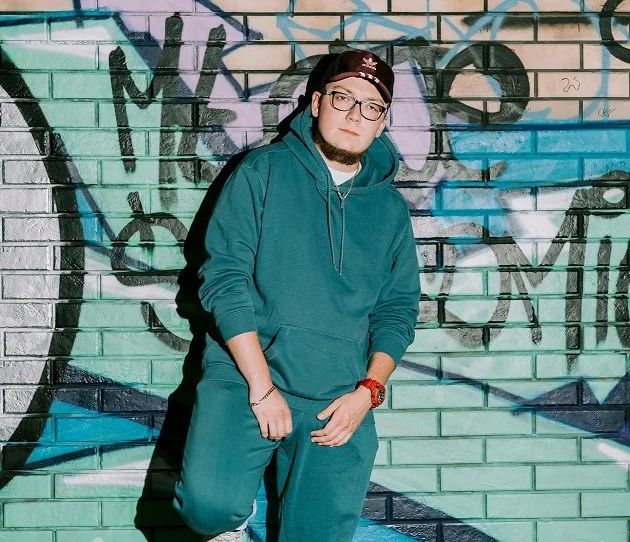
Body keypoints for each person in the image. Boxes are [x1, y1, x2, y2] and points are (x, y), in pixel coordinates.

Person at [172, 49, 421, 542]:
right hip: (246, 374)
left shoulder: (390, 210)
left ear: (382, 123)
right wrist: (261, 387)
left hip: (338, 395)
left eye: (371, 106)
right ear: (316, 102)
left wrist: (368, 393)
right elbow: (224, 278)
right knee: (208, 507)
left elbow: (397, 311)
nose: (355, 114)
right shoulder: (262, 171)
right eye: (343, 98)